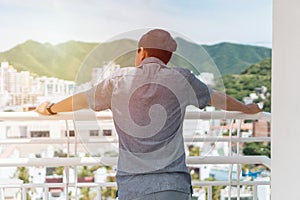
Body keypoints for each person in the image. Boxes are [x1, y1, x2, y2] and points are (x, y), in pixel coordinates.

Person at [36, 29, 261, 200]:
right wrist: (247, 109)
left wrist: (50, 108)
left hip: (132, 188)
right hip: (173, 186)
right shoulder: (182, 79)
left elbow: (81, 99)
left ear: (141, 52)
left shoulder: (118, 81)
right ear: (168, 57)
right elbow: (219, 98)